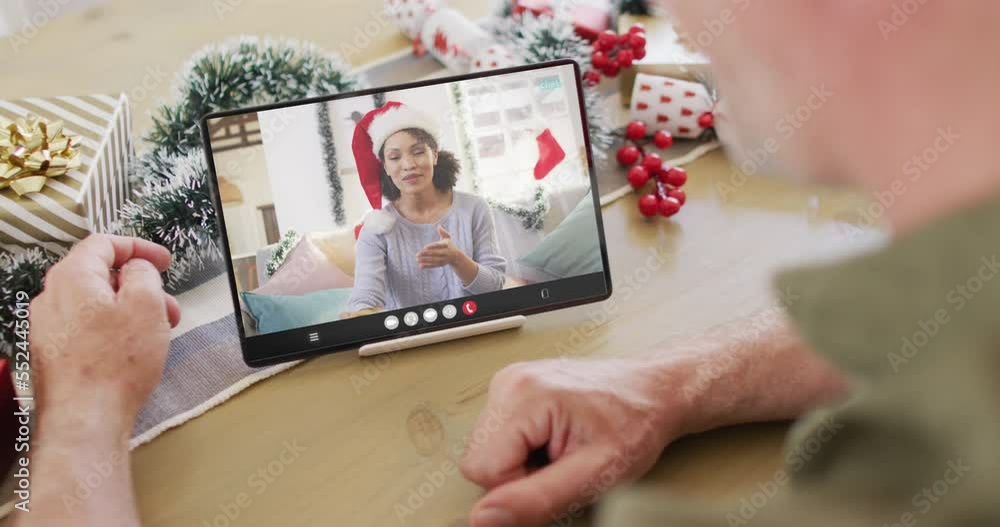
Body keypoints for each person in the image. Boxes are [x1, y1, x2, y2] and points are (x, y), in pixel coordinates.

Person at [18, 2, 1000, 526]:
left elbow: (515, 280)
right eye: (389, 156)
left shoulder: (483, 210)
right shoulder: (364, 237)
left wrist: (83, 415)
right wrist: (683, 380)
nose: (673, 25)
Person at [341, 101, 506, 319]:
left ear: (434, 155)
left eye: (418, 152)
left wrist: (457, 259)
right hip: (409, 338)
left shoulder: (474, 209)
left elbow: (494, 287)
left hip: (477, 324)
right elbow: (366, 296)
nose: (408, 164)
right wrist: (360, 314)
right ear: (386, 168)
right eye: (394, 157)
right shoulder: (375, 230)